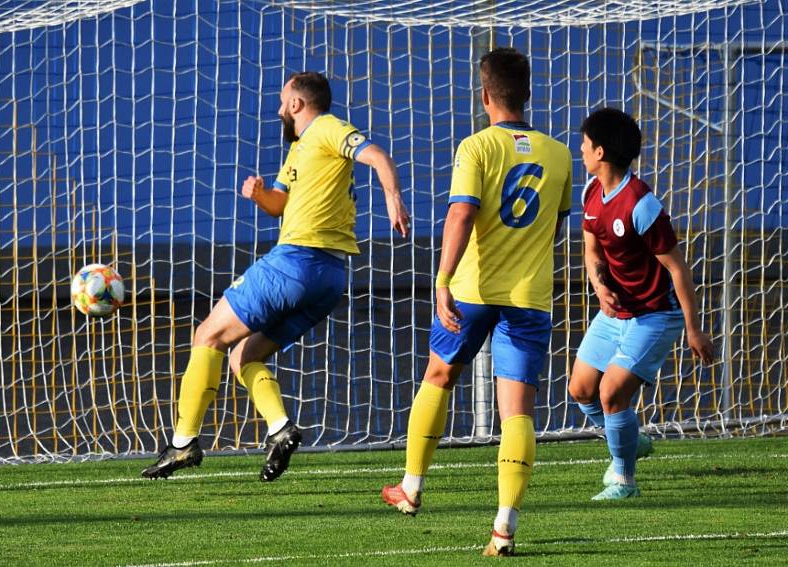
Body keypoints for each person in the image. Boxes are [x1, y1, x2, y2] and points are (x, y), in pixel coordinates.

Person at [142, 71, 410, 481]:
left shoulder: (327, 128)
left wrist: (393, 198)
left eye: (283, 102)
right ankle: (281, 429)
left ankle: (183, 444)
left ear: (298, 105)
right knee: (243, 356)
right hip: (329, 278)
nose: (279, 109)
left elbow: (376, 155)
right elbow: (279, 205)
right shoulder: (300, 150)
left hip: (296, 262)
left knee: (207, 336)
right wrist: (259, 194)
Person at [380, 47, 572, 557]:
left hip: (471, 291)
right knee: (517, 414)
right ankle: (504, 528)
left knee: (439, 376)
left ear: (484, 95)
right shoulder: (559, 154)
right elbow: (554, 226)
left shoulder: (476, 147)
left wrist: (442, 279)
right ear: (528, 93)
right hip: (529, 297)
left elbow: (461, 216)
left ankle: (412, 487)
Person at [568, 107, 714, 500]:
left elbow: (678, 269)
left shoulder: (641, 204)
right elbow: (591, 249)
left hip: (654, 314)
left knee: (612, 393)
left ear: (600, 151)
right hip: (615, 312)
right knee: (581, 388)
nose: (578, 150)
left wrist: (693, 328)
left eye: (583, 143)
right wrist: (600, 288)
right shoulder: (591, 192)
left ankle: (624, 479)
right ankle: (630, 435)